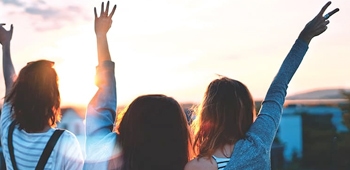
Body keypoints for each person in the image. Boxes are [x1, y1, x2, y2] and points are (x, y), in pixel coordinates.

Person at [184, 1, 339, 170]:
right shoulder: (258, 142)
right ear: (245, 111)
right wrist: (304, 38)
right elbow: (279, 86)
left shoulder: (198, 166)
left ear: (207, 114)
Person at [84, 2, 193, 170]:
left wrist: (101, 36)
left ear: (129, 123)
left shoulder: (103, 152)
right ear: (176, 137)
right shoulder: (177, 162)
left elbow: (104, 97)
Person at [0, 22, 83, 170]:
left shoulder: (8, 131)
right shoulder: (66, 143)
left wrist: (5, 44)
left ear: (18, 96)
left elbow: (9, 83)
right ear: (53, 99)